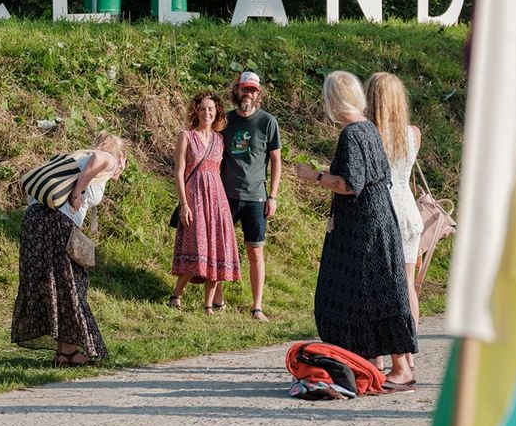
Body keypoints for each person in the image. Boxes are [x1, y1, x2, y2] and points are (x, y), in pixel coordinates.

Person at [290, 71, 417, 389]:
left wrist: (315, 176)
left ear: (333, 100)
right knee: (373, 294)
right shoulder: (368, 128)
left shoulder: (351, 134)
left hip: (364, 226)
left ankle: (400, 368)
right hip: (376, 220)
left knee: (369, 292)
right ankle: (372, 364)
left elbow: (350, 184)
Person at [11, 133, 127, 366]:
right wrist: (77, 193)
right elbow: (100, 159)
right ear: (122, 157)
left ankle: (65, 353)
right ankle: (68, 352)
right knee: (72, 286)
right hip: (56, 224)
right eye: (124, 162)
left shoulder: (74, 158)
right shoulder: (107, 158)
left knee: (57, 286)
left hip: (35, 222)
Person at [169, 91, 241, 312]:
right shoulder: (186, 136)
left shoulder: (220, 139)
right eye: (202, 109)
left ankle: (208, 304)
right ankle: (176, 294)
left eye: (210, 109)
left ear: (217, 112)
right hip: (195, 197)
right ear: (196, 111)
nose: (206, 113)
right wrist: (184, 204)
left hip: (217, 200)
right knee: (196, 247)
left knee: (217, 250)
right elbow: (179, 172)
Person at [221, 70, 282, 321]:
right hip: (226, 194)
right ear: (236, 89)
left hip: (256, 197)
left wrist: (273, 196)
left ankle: (257, 306)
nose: (248, 94)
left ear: (258, 94)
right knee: (221, 248)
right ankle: (217, 300)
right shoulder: (224, 120)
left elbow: (276, 161)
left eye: (253, 90)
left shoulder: (267, 122)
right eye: (244, 89)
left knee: (255, 251)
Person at [367, 71, 425, 334]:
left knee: (379, 287)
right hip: (409, 210)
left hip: (382, 210)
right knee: (408, 284)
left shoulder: (369, 135)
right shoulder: (413, 134)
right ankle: (409, 345)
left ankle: (383, 345)